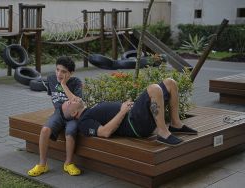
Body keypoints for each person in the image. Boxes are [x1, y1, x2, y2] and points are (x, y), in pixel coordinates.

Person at [61, 78, 197, 146]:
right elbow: (104, 132)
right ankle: (162, 132)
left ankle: (176, 124)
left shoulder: (90, 109)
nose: (72, 99)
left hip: (134, 114)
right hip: (134, 123)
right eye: (69, 102)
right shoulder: (84, 122)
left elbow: (72, 96)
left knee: (170, 83)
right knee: (154, 89)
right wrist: (122, 111)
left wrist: (63, 85)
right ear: (73, 114)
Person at [28, 56, 82, 177]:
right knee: (45, 129)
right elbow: (53, 96)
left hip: (72, 116)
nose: (59, 73)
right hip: (58, 113)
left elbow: (76, 102)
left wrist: (64, 85)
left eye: (63, 71)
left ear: (71, 73)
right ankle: (42, 164)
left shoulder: (76, 82)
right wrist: (57, 111)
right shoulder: (51, 79)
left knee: (70, 132)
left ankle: (68, 163)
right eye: (57, 70)